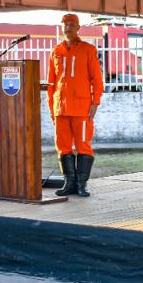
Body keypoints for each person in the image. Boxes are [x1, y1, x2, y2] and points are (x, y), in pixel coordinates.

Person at [47, 13, 104, 197]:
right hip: (60, 108)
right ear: (61, 27)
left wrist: (95, 102)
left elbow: (97, 79)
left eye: (72, 24)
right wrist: (51, 107)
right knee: (63, 146)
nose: (68, 27)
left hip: (81, 108)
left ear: (78, 28)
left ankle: (81, 185)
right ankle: (69, 183)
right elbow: (51, 83)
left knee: (83, 145)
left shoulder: (88, 50)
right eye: (65, 24)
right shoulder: (56, 51)